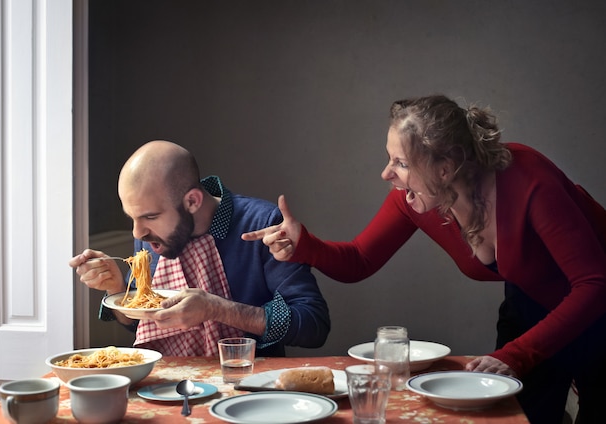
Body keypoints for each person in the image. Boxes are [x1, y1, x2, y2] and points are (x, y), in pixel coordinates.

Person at [242, 95, 606, 424]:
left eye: (400, 162)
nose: (386, 174)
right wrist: (304, 244)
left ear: (445, 169)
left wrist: (518, 354)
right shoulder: (416, 198)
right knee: (515, 419)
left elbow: (593, 284)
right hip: (530, 305)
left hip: (597, 306)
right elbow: (359, 260)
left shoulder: (530, 181)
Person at [70, 140, 330, 358]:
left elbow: (313, 324)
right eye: (132, 217)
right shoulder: (151, 235)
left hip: (247, 391)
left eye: (149, 216)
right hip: (166, 389)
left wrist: (217, 309)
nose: (137, 232)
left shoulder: (262, 224)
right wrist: (116, 289)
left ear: (192, 201)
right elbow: (145, 327)